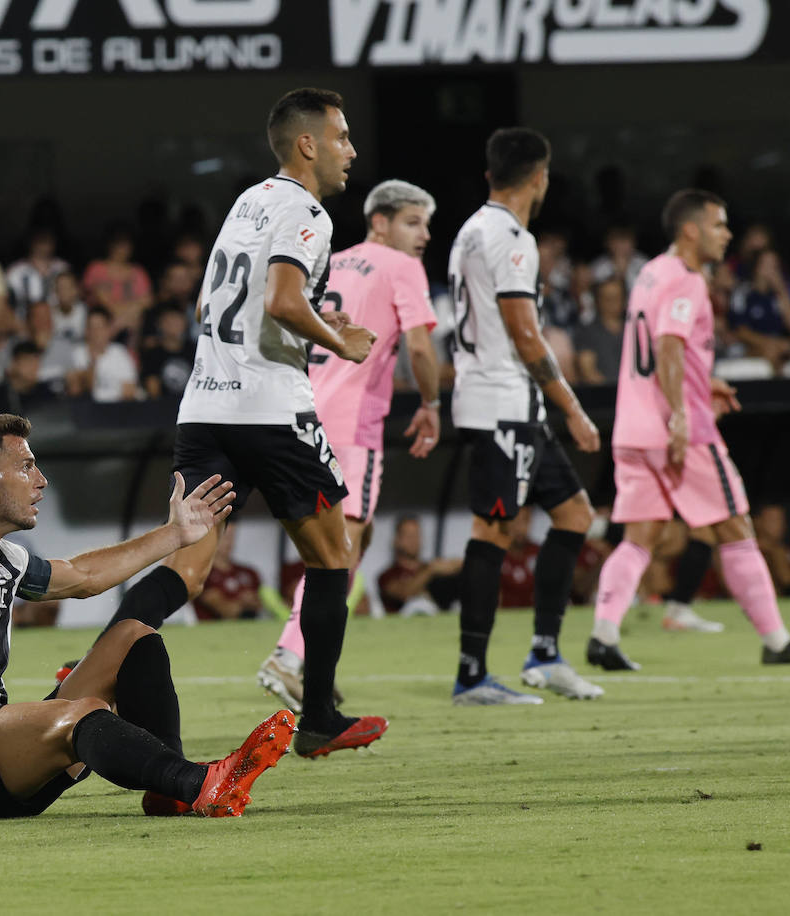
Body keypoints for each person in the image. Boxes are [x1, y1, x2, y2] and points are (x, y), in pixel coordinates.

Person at [66, 88, 382, 759]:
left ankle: (88, 675)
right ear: (307, 144)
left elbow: (223, 301)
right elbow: (282, 299)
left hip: (206, 405)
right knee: (333, 557)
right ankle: (320, 716)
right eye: (342, 137)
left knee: (187, 566)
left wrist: (311, 325)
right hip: (270, 410)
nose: (351, 151)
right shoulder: (307, 212)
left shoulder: (247, 202)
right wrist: (337, 340)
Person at [0, 386, 292, 820]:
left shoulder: (7, 559)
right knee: (86, 711)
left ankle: (171, 792)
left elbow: (84, 576)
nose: (41, 479)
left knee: (133, 636)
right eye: (26, 466)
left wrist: (174, 534)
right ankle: (200, 784)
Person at [588, 189, 790, 670]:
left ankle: (604, 634)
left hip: (633, 427)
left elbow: (653, 351)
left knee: (639, 537)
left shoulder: (650, 272)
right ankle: (777, 641)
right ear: (691, 230)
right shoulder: (688, 279)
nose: (728, 234)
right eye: (720, 225)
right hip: (682, 431)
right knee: (737, 525)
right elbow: (670, 347)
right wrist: (681, 411)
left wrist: (703, 382)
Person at [254, 177, 443, 711]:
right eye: (413, 222)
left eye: (427, 224)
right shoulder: (401, 266)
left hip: (296, 409)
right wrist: (430, 404)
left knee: (338, 543)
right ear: (379, 222)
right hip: (351, 423)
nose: (424, 235)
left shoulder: (329, 260)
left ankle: (311, 669)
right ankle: (290, 657)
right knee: (342, 546)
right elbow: (421, 347)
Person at [446, 128, 604, 705]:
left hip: (511, 405)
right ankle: (471, 674)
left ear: (492, 174)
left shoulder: (469, 231)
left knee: (574, 514)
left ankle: (544, 651)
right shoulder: (512, 236)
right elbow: (525, 333)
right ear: (539, 177)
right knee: (492, 531)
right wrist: (574, 408)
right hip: (500, 406)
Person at [376, 515, 462, 616]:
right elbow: (404, 593)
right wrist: (431, 569)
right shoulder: (388, 575)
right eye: (408, 536)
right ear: (397, 540)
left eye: (417, 535)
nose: (414, 540)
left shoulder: (436, 570)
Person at [191, 523, 262, 621]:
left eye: (232, 536)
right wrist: (243, 601)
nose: (229, 542)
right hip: (213, 632)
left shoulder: (249, 572)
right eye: (225, 536)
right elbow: (226, 610)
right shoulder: (201, 573)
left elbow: (261, 606)